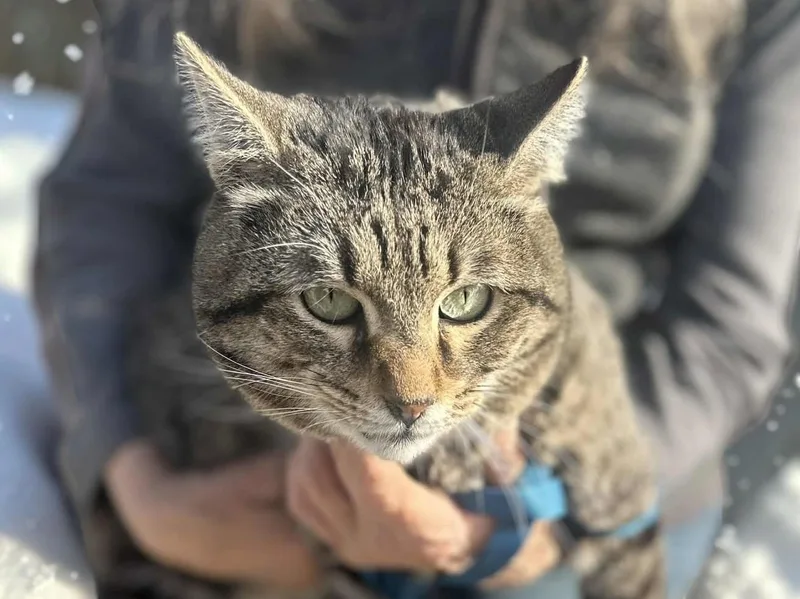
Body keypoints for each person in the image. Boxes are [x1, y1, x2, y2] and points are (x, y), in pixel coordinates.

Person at [4, 0, 798, 597]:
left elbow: (730, 323)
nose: (412, 392)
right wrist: (134, 482)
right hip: (234, 448)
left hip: (596, 447)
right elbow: (106, 206)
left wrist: (536, 521)